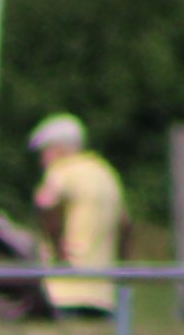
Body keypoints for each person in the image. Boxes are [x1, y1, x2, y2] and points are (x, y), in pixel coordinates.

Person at [27, 113, 128, 319]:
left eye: (44, 152)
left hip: (63, 291)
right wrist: (121, 266)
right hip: (103, 295)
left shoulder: (62, 171)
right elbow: (125, 225)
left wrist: (56, 243)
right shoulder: (106, 174)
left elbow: (45, 204)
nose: (42, 160)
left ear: (58, 149)